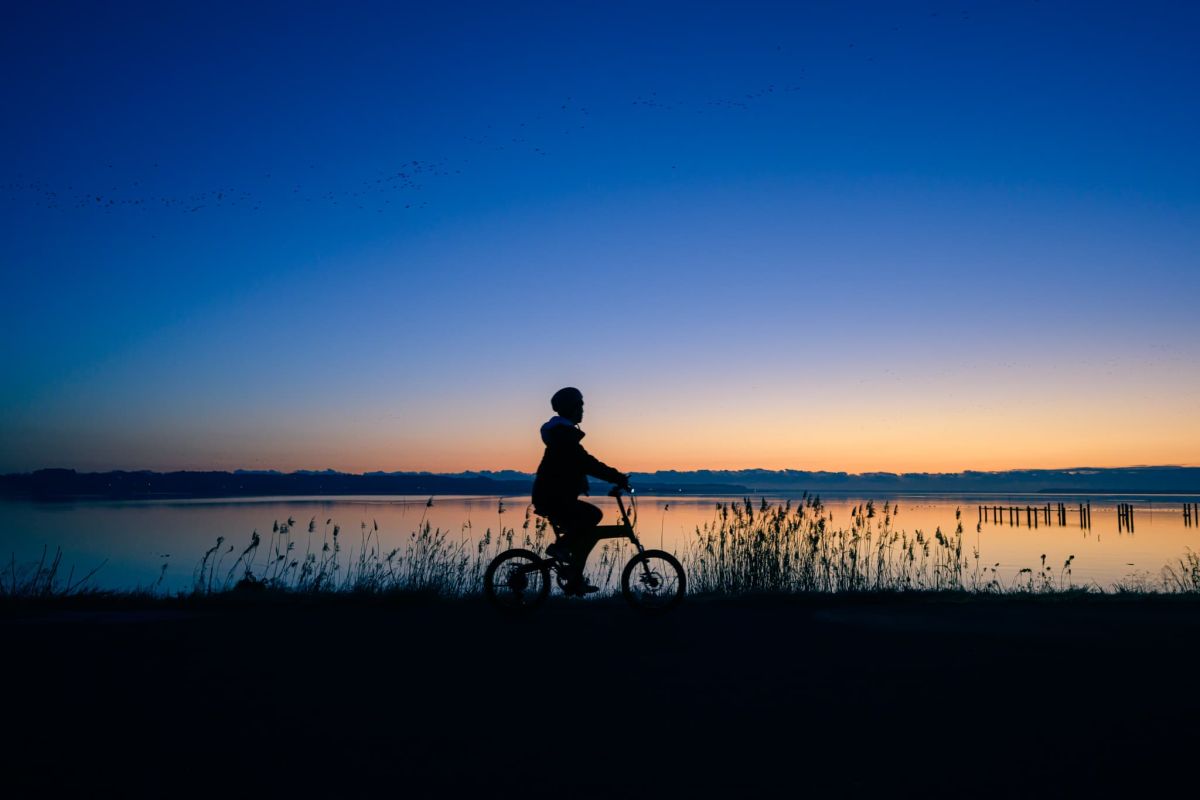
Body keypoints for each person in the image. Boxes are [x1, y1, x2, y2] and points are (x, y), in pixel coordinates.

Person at [531, 387, 630, 595]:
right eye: (580, 405)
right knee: (592, 515)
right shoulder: (564, 438)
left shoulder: (563, 436)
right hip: (553, 498)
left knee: (587, 526)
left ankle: (575, 576)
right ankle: (562, 549)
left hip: (553, 497)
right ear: (571, 408)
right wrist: (617, 476)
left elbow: (581, 464)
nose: (583, 410)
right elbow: (587, 463)